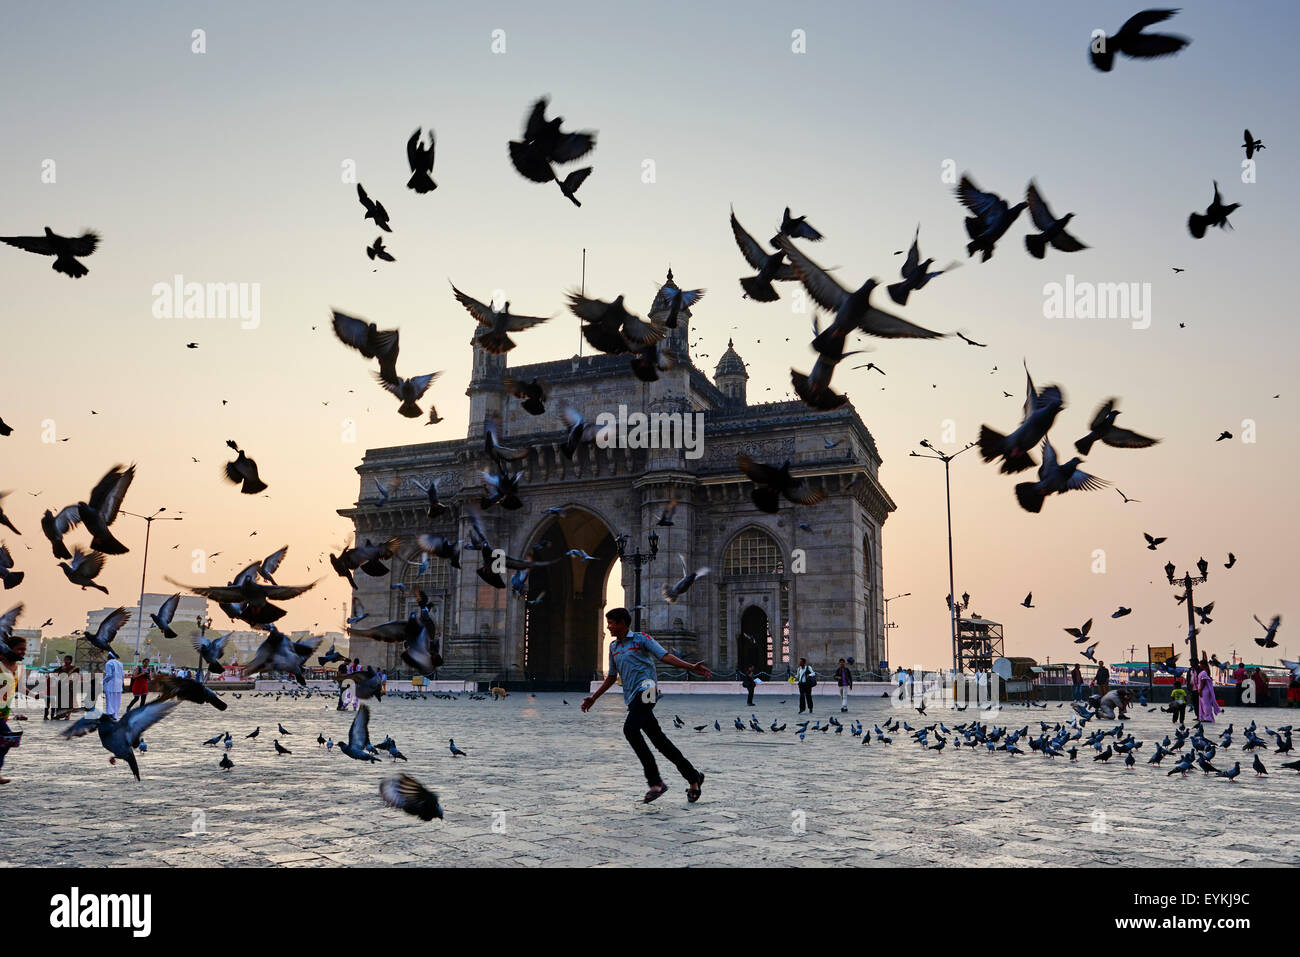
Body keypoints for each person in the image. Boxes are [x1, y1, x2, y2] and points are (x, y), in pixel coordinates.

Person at [582, 608, 712, 804]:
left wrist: (690, 666)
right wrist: (594, 697)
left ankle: (656, 782)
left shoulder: (641, 639)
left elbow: (664, 656)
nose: (608, 626)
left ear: (623, 623)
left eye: (612, 623)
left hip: (649, 690)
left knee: (630, 729)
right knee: (660, 742)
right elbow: (611, 677)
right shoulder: (614, 647)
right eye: (608, 623)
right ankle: (693, 777)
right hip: (633, 697)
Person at [0, 636, 27, 785]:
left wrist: (37, 695)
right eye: (20, 649)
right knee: (6, 740)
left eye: (24, 649)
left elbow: (19, 688)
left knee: (4, 742)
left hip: (4, 712)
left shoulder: (19, 668)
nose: (23, 652)